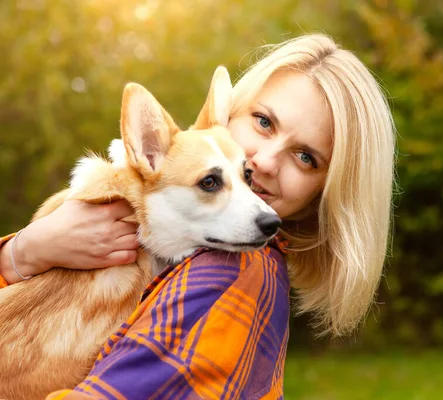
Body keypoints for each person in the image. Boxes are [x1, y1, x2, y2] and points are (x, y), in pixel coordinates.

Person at [0, 34, 395, 398]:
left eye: (306, 157)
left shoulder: (232, 273)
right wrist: (21, 253)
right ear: (229, 115)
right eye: (263, 122)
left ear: (325, 192)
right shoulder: (98, 222)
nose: (264, 162)